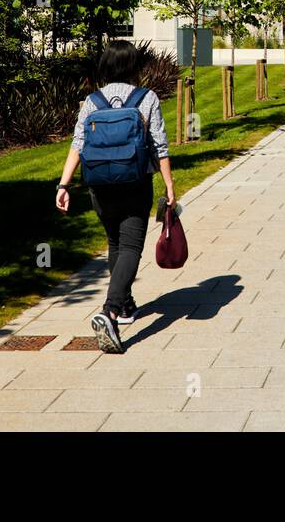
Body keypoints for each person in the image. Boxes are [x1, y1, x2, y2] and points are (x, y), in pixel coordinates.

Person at [55, 41, 175, 354]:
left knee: (115, 243)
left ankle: (124, 305)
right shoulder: (146, 98)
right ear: (134, 66)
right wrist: (170, 187)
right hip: (135, 182)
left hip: (100, 185)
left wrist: (63, 185)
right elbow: (159, 147)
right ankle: (109, 310)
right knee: (132, 246)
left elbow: (78, 144)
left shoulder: (92, 101)